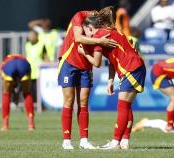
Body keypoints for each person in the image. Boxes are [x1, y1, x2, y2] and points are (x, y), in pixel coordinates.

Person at [79, 11, 146, 150]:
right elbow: (112, 59)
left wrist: (84, 53)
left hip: (131, 68)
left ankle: (115, 142)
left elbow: (96, 63)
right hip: (136, 66)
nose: (85, 36)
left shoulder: (98, 37)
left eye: (85, 32)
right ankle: (124, 142)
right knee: (126, 106)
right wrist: (110, 80)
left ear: (90, 27)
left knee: (122, 106)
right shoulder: (111, 30)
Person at [58, 7, 117, 150]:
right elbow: (78, 38)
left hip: (86, 66)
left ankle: (84, 140)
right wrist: (100, 41)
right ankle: (66, 140)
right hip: (69, 62)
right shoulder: (79, 16)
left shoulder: (99, 26)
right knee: (69, 101)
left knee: (83, 102)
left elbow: (98, 60)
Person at [0, 54, 35, 131]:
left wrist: (15, 95)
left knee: (6, 93)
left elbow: (10, 86)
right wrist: (17, 95)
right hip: (24, 65)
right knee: (27, 93)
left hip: (9, 65)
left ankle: (5, 125)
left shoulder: (4, 61)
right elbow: (20, 85)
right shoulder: (23, 58)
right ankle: (31, 124)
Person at [25, 30, 47, 102]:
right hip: (29, 70)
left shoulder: (41, 44)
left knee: (38, 90)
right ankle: (32, 104)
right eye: (29, 35)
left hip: (38, 71)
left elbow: (46, 57)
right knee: (29, 90)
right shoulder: (27, 45)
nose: (30, 37)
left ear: (36, 36)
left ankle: (39, 105)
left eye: (32, 35)